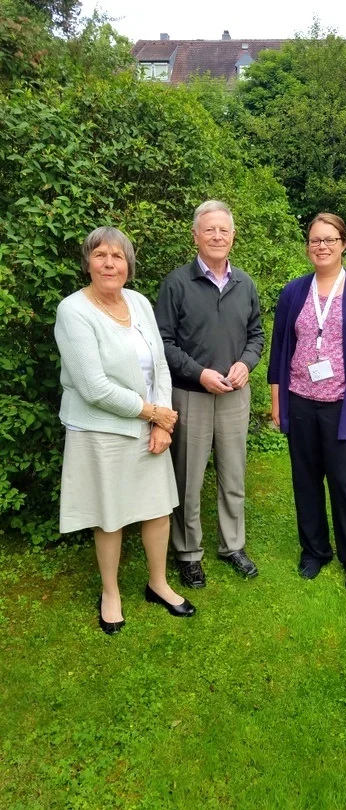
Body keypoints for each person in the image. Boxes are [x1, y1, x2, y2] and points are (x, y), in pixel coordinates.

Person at [55, 227, 196, 635]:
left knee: (157, 508)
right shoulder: (73, 311)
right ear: (88, 262)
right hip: (101, 430)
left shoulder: (138, 303)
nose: (109, 264)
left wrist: (162, 421)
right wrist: (152, 413)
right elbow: (92, 386)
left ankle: (158, 584)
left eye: (118, 257)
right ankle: (111, 592)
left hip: (151, 424)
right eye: (100, 255)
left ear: (129, 266)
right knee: (110, 515)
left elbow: (161, 365)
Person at [268, 213, 346, 591]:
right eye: (315, 240)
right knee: (305, 480)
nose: (322, 246)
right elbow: (280, 349)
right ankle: (315, 551)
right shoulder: (294, 291)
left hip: (343, 404)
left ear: (343, 243)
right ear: (308, 246)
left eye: (329, 239)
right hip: (300, 399)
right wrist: (277, 401)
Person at [155, 200, 264, 588]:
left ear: (233, 237)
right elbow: (162, 343)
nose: (217, 236)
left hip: (234, 394)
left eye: (224, 230)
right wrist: (198, 374)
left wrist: (246, 363)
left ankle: (232, 545)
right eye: (210, 230)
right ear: (196, 235)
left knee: (233, 474)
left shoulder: (244, 283)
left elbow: (256, 335)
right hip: (191, 395)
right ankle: (188, 553)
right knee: (188, 478)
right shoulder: (176, 284)